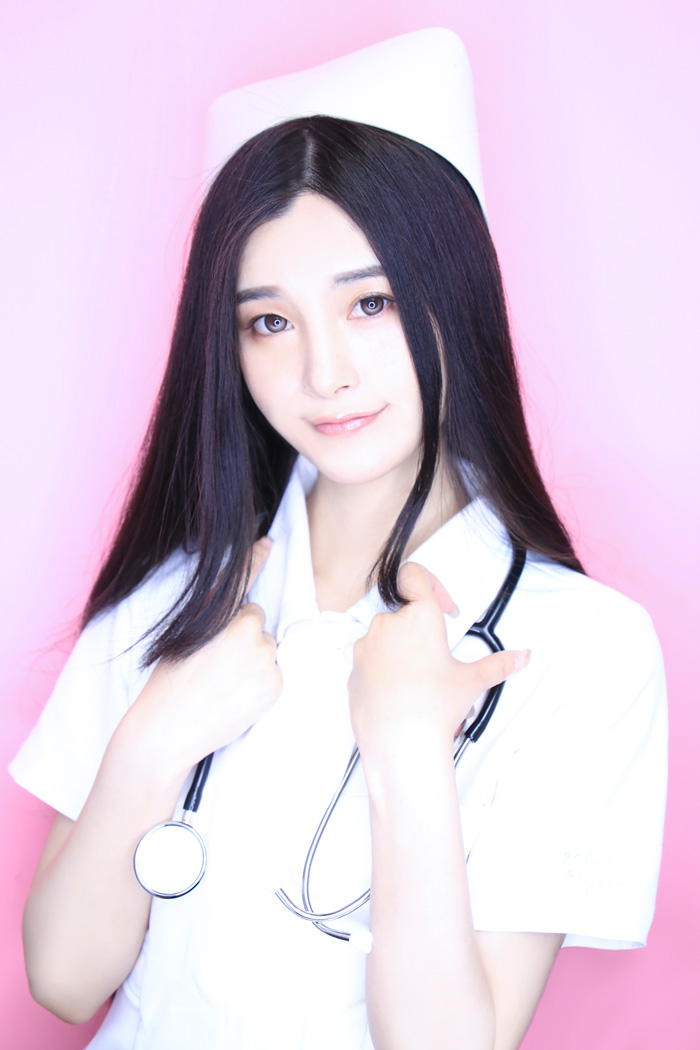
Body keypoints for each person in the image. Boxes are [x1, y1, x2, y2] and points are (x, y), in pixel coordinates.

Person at [10, 32, 666, 1050]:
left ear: (455, 295)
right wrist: (153, 737)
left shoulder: (583, 646)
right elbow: (61, 979)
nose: (325, 374)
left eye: (372, 302)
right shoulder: (177, 593)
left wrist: (405, 743)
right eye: (269, 323)